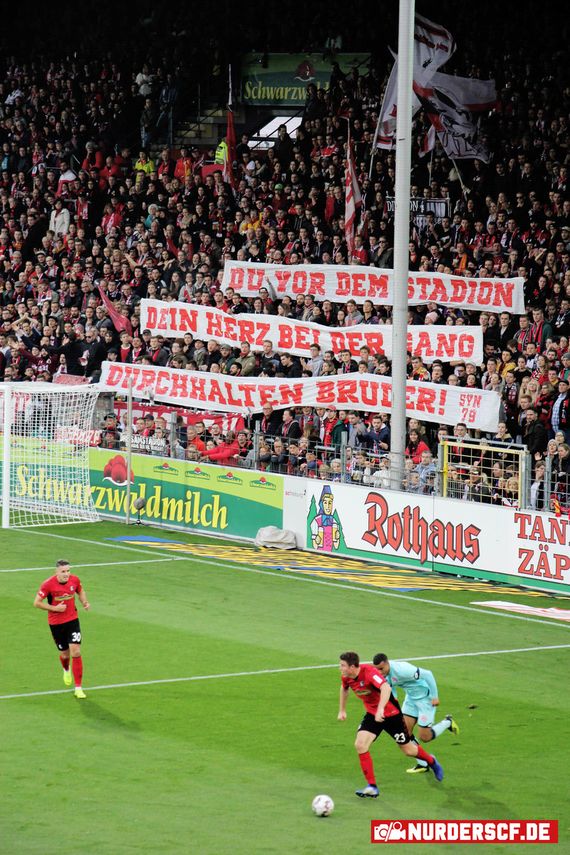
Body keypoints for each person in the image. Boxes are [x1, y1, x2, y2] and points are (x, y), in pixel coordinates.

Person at [337, 651, 443, 798]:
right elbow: (344, 689)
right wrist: (342, 710)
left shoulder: (369, 673)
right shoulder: (347, 677)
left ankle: (431, 761)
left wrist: (381, 708)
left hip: (391, 715)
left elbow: (385, 688)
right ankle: (372, 787)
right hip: (373, 716)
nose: (340, 668)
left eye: (342, 665)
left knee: (408, 750)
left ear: (353, 666)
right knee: (360, 745)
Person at [372, 653, 459, 774]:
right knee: (405, 734)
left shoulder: (403, 670)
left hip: (425, 699)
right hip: (411, 699)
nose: (379, 672)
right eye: (377, 669)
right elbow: (392, 694)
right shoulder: (384, 675)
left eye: (381, 669)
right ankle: (423, 764)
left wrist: (435, 696)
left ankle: (447, 722)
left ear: (387, 663)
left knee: (425, 737)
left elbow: (428, 674)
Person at [33, 559, 90, 699]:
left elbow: (80, 591)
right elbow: (36, 603)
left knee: (76, 651)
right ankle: (66, 668)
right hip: (56, 624)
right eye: (63, 571)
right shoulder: (48, 585)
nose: (66, 574)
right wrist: (55, 608)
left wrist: (85, 602)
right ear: (56, 572)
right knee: (65, 655)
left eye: (68, 571)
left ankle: (78, 688)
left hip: (72, 621)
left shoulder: (74, 580)